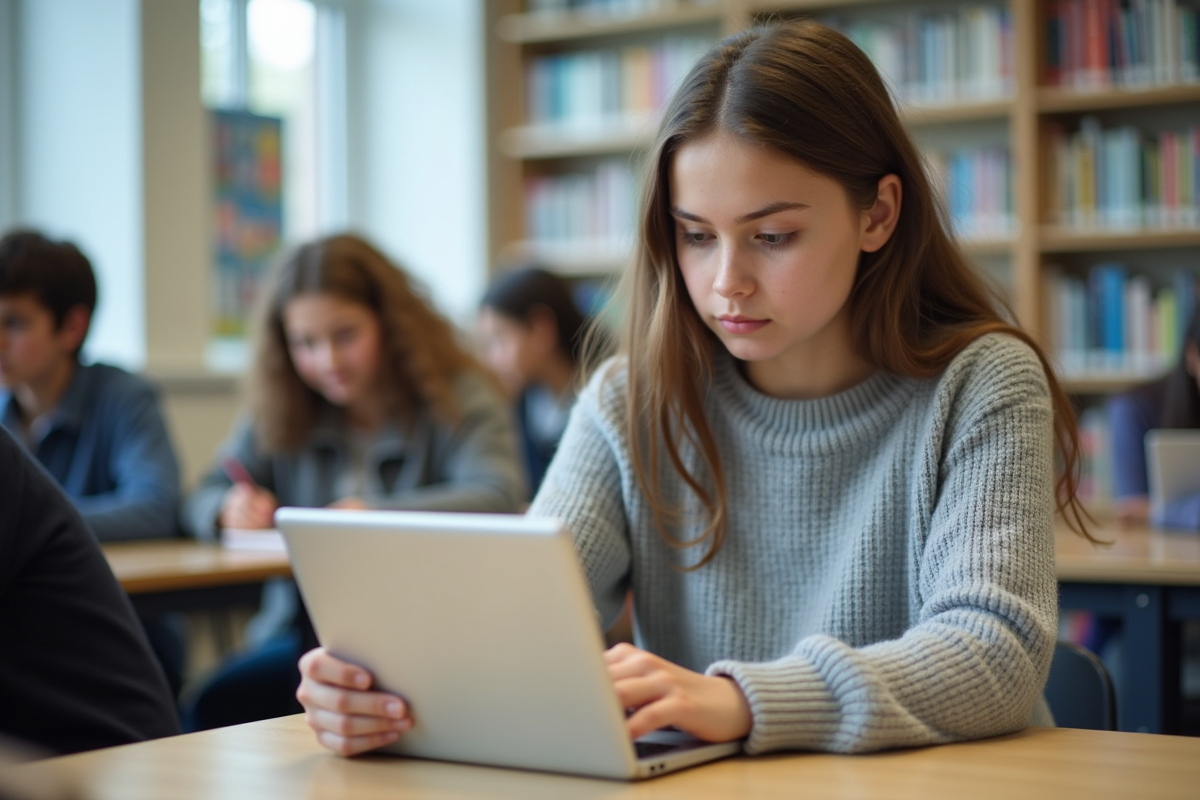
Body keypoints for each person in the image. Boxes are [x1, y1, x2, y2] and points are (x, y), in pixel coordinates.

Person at [294, 21, 1096, 757]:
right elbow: (518, 630)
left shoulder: (982, 383)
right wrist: (382, 690)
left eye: (773, 237)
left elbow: (996, 652)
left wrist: (744, 700)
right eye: (695, 236)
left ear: (878, 214)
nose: (726, 283)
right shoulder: (629, 400)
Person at [182, 232, 524, 729]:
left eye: (345, 335)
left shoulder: (459, 392)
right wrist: (225, 508)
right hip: (304, 641)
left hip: (430, 639)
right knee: (209, 706)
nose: (328, 361)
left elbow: (497, 494)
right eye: (305, 343)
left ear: (389, 323)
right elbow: (207, 489)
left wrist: (373, 516)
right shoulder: (282, 403)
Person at [0, 229, 187, 698]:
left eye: (15, 323)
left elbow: (155, 507)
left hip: (124, 637)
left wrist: (34, 528)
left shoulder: (125, 398)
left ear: (72, 328)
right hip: (27, 631)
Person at [0, 425, 180, 755]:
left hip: (99, 766)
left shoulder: (124, 396)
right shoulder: (8, 413)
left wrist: (51, 514)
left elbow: (155, 508)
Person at [477, 266, 587, 494]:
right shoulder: (518, 405)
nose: (490, 360)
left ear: (541, 328)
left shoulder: (602, 400)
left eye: (499, 339)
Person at [1107, 307, 1200, 528]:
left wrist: (1161, 512)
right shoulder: (1133, 410)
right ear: (1192, 356)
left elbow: (1145, 512)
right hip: (1164, 556)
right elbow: (1133, 514)